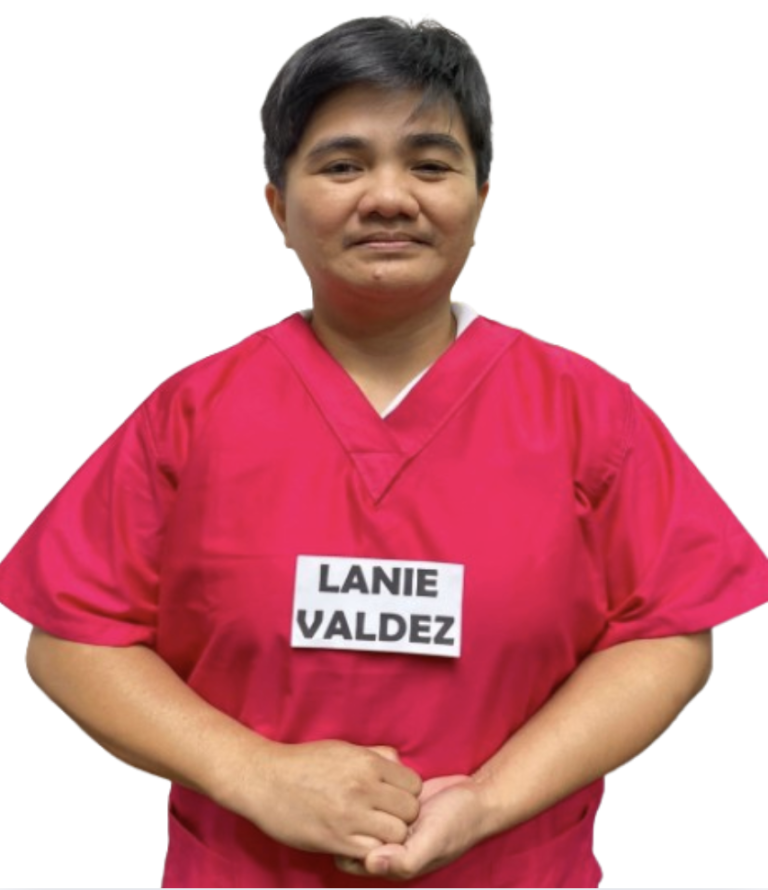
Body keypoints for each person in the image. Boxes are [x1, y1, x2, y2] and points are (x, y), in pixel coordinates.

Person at [1, 15, 767, 889]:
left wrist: (488, 799)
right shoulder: (192, 415)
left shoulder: (588, 415)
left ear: (481, 198)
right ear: (279, 208)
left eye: (431, 165)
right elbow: (72, 639)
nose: (389, 197)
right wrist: (254, 773)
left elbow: (667, 633)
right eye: (343, 165)